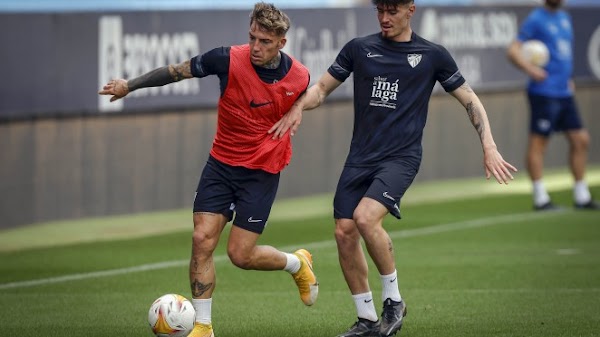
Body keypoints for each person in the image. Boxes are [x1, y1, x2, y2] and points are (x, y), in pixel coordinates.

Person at [269, 0, 517, 336]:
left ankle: (394, 301)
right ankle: (367, 319)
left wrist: (488, 144)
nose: (385, 18)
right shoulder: (359, 49)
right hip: (360, 157)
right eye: (380, 11)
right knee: (344, 232)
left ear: (410, 9)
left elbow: (470, 98)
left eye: (393, 11)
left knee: (366, 217)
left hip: (401, 157)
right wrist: (299, 107)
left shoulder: (433, 55)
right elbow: (322, 89)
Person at [99, 3, 318, 337]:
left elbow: (314, 92)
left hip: (262, 171)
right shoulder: (227, 59)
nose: (256, 47)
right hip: (221, 164)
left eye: (265, 42)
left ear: (281, 43)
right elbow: (176, 71)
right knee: (201, 238)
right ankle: (203, 326)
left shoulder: (298, 75)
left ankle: (297, 264)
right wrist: (130, 85)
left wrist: (298, 107)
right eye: (253, 38)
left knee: (240, 255)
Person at [506, 0, 599, 211]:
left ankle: (581, 195)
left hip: (564, 91)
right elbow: (512, 51)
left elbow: (563, 53)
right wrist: (531, 70)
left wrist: (568, 77)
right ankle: (541, 198)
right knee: (539, 143)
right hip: (544, 93)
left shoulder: (564, 18)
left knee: (581, 139)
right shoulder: (537, 19)